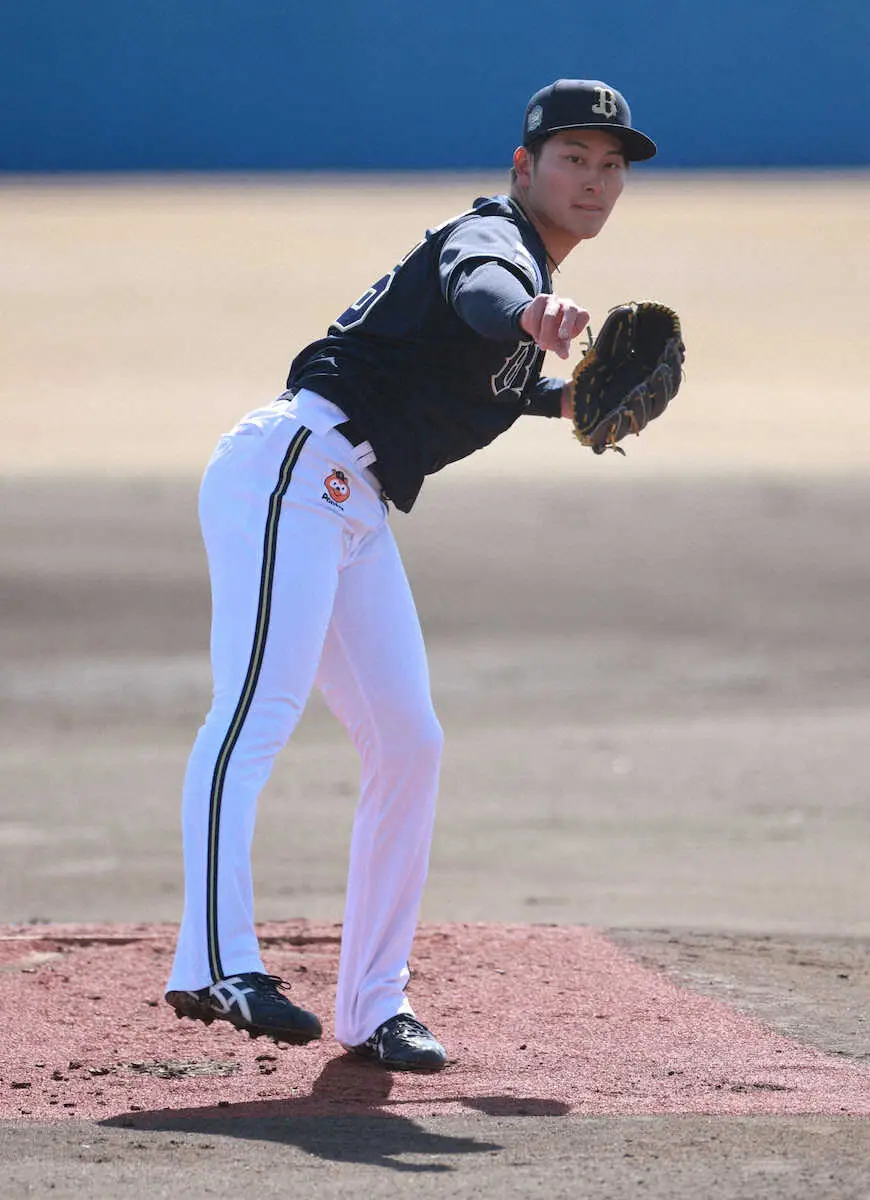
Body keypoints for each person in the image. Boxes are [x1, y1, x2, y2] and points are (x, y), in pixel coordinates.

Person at [165, 79, 658, 1072]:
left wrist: (569, 399)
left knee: (409, 742)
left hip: (351, 503)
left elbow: (477, 372)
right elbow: (484, 294)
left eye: (610, 165)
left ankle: (374, 1003)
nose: (594, 180)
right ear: (523, 167)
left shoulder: (524, 282)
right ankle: (214, 960)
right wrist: (533, 313)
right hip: (292, 472)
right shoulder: (493, 243)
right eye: (572, 158)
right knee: (257, 708)